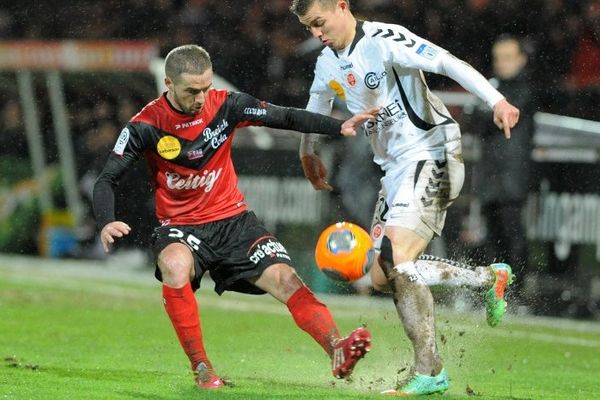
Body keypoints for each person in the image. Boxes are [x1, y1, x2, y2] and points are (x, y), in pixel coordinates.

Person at [92, 44, 378, 389]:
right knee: (174, 265)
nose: (200, 98)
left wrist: (338, 126)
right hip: (182, 227)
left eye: (205, 88)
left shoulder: (227, 105)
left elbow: (284, 116)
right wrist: (106, 220)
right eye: (191, 91)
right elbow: (107, 179)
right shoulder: (145, 125)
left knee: (287, 279)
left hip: (234, 221)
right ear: (168, 83)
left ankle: (337, 348)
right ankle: (202, 370)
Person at [289, 0, 520, 395]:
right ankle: (488, 278)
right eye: (309, 27)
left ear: (341, 6)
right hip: (395, 171)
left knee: (397, 259)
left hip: (433, 155)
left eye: (319, 23)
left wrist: (495, 100)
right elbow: (316, 107)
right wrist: (307, 153)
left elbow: (447, 63)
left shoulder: (384, 39)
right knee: (383, 276)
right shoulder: (328, 61)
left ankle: (429, 371)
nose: (316, 33)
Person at [467, 34, 535, 287]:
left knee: (512, 233)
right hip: (490, 174)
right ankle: (494, 289)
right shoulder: (492, 88)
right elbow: (472, 120)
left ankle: (516, 291)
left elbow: (496, 116)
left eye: (508, 58)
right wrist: (487, 111)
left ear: (521, 60)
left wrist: (488, 110)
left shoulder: (524, 88)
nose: (503, 64)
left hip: (512, 176)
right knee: (491, 236)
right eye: (498, 59)